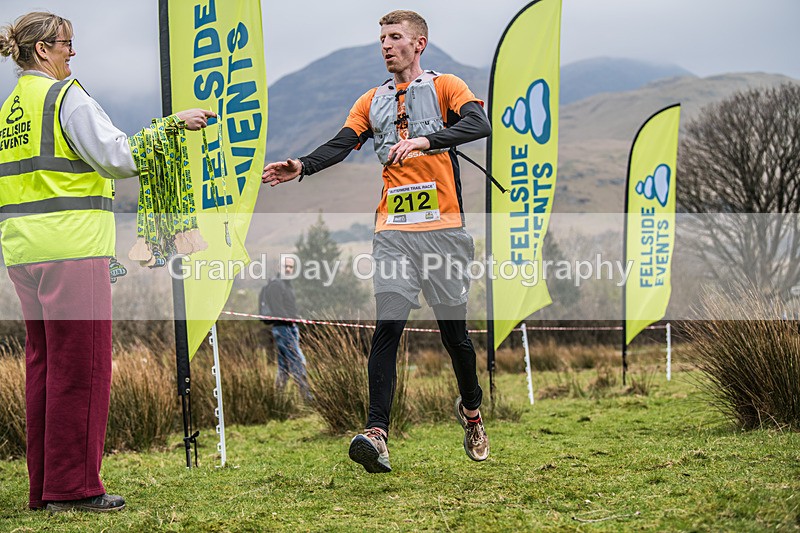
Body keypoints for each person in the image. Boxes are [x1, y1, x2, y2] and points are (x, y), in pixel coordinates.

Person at [0, 12, 214, 511]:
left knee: (45, 368)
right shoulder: (65, 95)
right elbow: (117, 157)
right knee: (83, 369)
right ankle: (74, 490)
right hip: (73, 250)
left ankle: (45, 488)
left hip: (23, 252)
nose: (72, 53)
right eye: (66, 44)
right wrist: (170, 127)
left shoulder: (11, 109)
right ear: (42, 51)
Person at [262, 10, 491, 473]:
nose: (386, 45)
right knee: (387, 326)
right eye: (381, 38)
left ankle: (471, 413)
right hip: (393, 234)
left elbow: (478, 125)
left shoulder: (447, 87)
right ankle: (377, 433)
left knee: (456, 339)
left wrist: (427, 142)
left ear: (419, 43)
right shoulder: (371, 101)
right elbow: (342, 143)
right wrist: (302, 165)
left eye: (395, 37)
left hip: (443, 232)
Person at [264, 256, 312, 401]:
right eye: (286, 266)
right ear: (279, 267)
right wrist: (292, 321)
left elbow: (289, 309)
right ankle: (308, 398)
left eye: (291, 267)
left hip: (291, 328)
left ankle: (277, 400)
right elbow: (278, 310)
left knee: (283, 368)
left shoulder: (287, 285)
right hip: (283, 329)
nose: (289, 269)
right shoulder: (275, 285)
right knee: (298, 361)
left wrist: (297, 319)